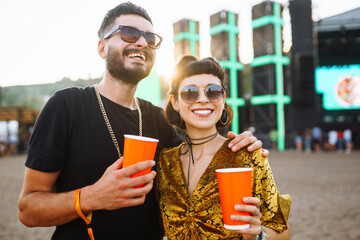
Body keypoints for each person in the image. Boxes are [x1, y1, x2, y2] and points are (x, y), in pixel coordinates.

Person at [18, 2, 267, 240]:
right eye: (128, 33)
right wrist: (92, 196)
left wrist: (240, 144)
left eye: (150, 38)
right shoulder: (66, 106)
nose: (141, 42)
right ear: (102, 47)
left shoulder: (159, 120)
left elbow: (200, 152)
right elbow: (27, 209)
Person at [156, 55, 291, 240]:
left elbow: (282, 231)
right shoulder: (164, 162)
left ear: (223, 98)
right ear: (175, 102)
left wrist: (258, 235)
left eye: (213, 91)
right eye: (190, 92)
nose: (203, 99)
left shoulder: (248, 156)